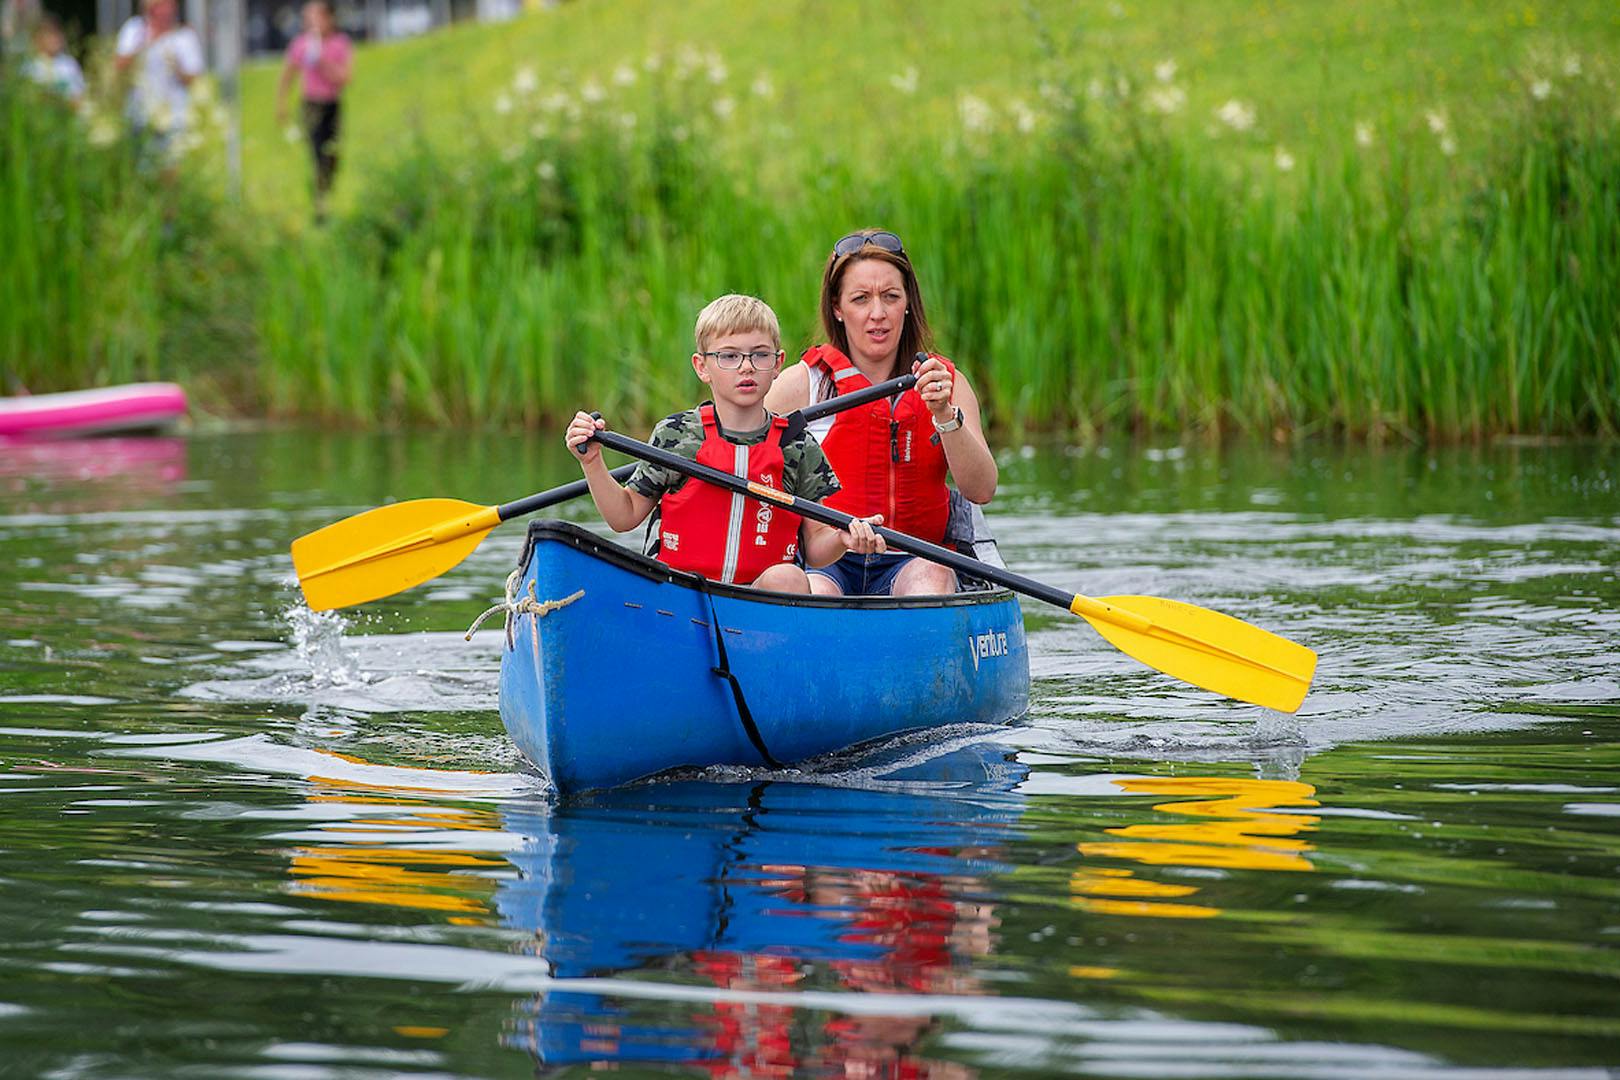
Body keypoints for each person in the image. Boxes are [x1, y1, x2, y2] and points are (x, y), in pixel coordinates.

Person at [564, 293, 885, 593]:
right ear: (702, 367)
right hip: (679, 595)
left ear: (777, 364)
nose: (746, 366)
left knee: (789, 577)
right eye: (729, 356)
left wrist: (843, 539)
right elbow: (624, 516)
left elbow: (816, 547)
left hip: (755, 605)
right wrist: (592, 462)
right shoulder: (677, 435)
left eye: (760, 355)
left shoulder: (798, 445)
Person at [764, 229, 997, 596]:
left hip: (919, 559)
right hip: (828, 562)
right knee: (816, 594)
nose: (878, 314)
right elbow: (743, 462)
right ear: (837, 308)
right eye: (861, 299)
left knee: (931, 582)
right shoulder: (802, 385)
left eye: (891, 296)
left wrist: (944, 414)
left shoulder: (946, 383)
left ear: (908, 303)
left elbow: (981, 490)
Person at [275, 0, 352, 222]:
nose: (311, 22)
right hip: (311, 106)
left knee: (333, 155)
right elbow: (287, 75)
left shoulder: (339, 43)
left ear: (329, 18)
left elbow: (345, 78)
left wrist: (321, 61)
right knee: (318, 155)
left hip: (332, 105)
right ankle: (320, 208)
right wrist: (281, 104)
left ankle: (327, 197)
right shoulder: (301, 44)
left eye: (316, 17)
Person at [113, 0, 204, 154]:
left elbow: (194, 79)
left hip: (174, 117)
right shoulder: (135, 28)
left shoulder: (184, 35)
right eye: (162, 5)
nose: (167, 10)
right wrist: (149, 41)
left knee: (169, 161)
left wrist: (176, 66)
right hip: (139, 114)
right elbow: (120, 66)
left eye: (170, 5)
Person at [23, 14, 85, 105]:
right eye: (49, 35)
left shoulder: (69, 64)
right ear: (38, 39)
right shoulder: (30, 66)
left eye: (57, 34)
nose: (55, 40)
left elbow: (78, 95)